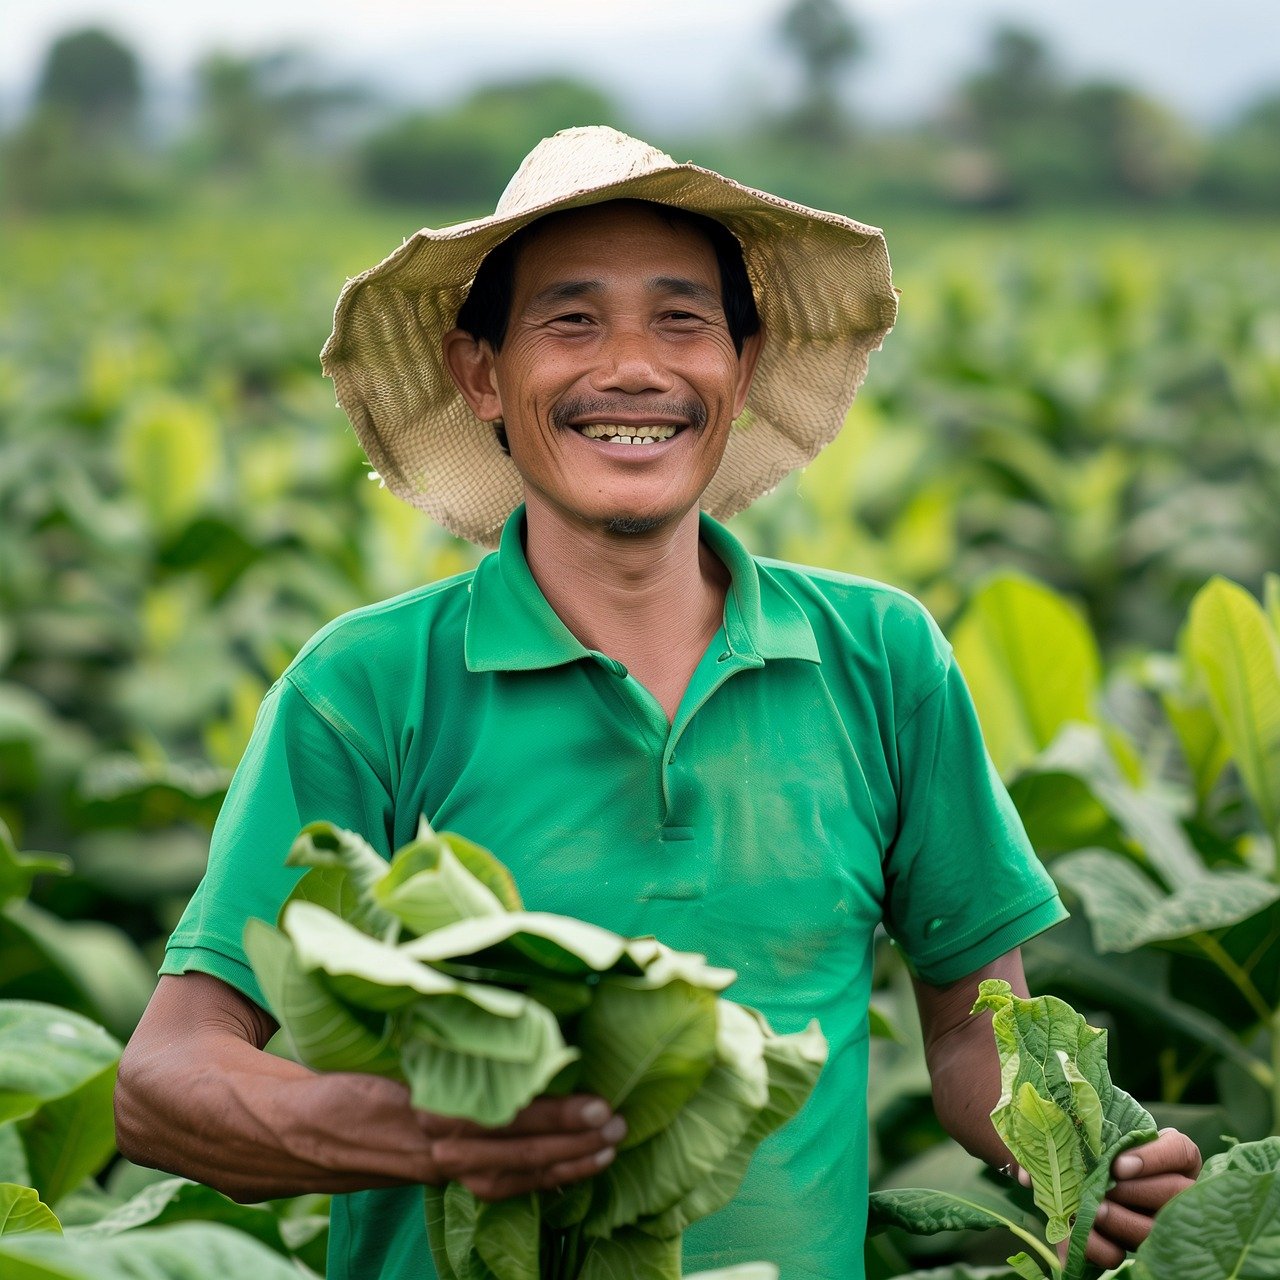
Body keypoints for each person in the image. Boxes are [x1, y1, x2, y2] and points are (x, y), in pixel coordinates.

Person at [115, 127, 1200, 1279]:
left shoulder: (882, 658)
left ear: (742, 362)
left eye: (681, 319)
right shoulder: (364, 687)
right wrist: (433, 1134)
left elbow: (972, 1034)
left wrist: (1095, 1154)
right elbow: (168, 1079)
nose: (630, 366)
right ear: (480, 372)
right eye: (570, 321)